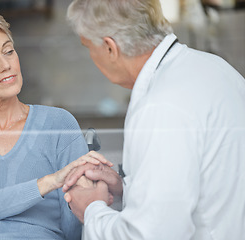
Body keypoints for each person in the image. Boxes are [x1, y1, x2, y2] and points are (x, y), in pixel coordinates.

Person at [62, 0, 245, 239]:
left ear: (110, 48)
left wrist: (91, 209)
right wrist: (126, 186)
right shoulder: (216, 68)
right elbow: (201, 185)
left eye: (88, 46)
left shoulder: (161, 107)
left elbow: (149, 234)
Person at [0, 8, 112, 240]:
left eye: (8, 51)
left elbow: (75, 220)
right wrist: (47, 182)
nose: (5, 65)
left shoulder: (58, 124)